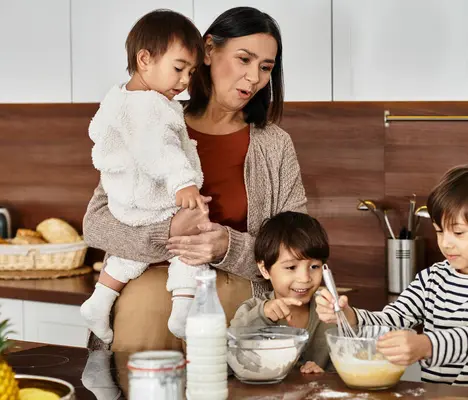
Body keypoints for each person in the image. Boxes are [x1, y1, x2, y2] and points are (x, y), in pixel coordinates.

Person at [83, 6, 307, 352]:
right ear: (208, 51)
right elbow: (96, 225)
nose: (253, 78)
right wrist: (168, 233)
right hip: (143, 309)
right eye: (243, 59)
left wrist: (227, 247)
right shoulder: (153, 121)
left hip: (235, 311)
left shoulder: (274, 145)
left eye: (265, 68)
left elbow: (298, 248)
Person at [316, 164, 468, 391]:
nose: (446, 243)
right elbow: (392, 320)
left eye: (458, 232)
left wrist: (427, 345)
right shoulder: (433, 278)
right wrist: (349, 316)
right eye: (439, 231)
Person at [80, 9, 208, 344]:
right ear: (145, 59)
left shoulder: (120, 98)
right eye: (179, 68)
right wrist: (184, 182)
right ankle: (182, 311)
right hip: (150, 200)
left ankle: (99, 300)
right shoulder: (150, 106)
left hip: (128, 203)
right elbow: (160, 149)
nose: (184, 81)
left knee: (130, 255)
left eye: (191, 72)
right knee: (188, 247)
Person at [230, 211, 335, 373]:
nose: (305, 278)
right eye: (291, 267)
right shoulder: (252, 311)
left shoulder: (330, 314)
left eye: (314, 267)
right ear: (264, 269)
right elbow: (228, 355)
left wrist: (324, 376)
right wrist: (262, 315)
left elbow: (347, 364)